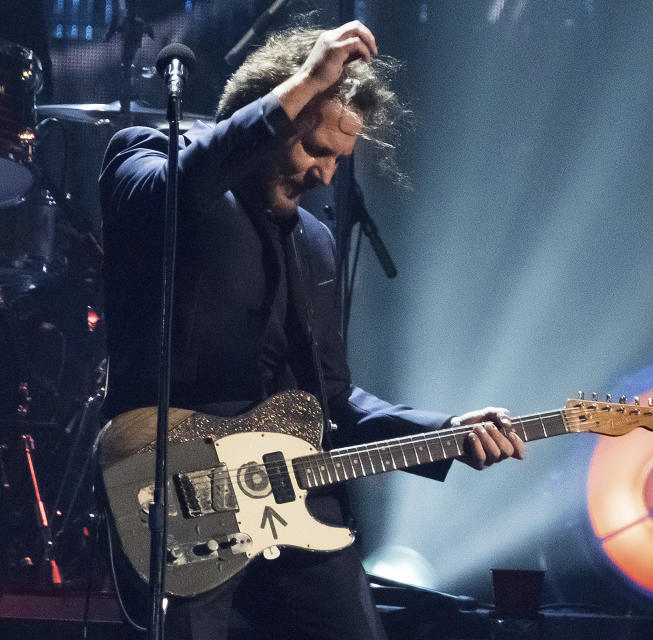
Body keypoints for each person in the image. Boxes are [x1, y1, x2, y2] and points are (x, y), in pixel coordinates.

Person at [98, 21, 524, 640]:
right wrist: (306, 82)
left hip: (294, 499)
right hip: (179, 486)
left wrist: (443, 432)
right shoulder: (148, 155)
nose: (326, 175)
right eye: (313, 149)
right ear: (275, 107)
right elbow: (169, 192)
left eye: (337, 159)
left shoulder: (316, 244)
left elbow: (334, 398)